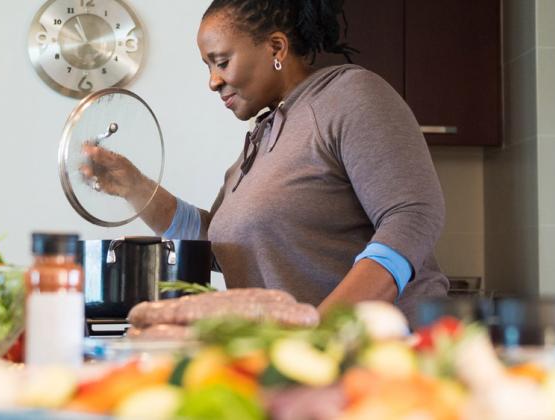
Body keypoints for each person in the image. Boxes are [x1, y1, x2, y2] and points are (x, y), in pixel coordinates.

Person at [82, 0, 448, 320]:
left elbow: (412, 216)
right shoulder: (260, 142)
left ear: (276, 47)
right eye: (208, 67)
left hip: (383, 357)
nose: (212, 81)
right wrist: (135, 187)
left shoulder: (348, 96)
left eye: (222, 62)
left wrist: (323, 330)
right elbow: (219, 247)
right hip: (297, 363)